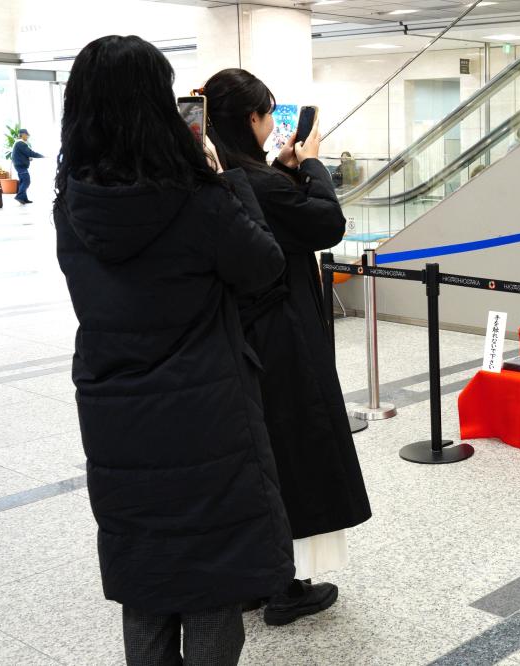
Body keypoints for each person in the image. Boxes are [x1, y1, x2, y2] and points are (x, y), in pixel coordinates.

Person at [54, 36, 294, 664]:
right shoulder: (197, 200)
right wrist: (223, 177)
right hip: (205, 410)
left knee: (147, 579)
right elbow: (264, 266)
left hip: (113, 411)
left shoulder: (70, 205)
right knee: (213, 583)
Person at [203, 68, 372, 627]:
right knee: (296, 447)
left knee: (255, 454)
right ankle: (285, 585)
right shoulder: (261, 184)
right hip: (284, 333)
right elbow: (326, 223)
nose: (271, 124)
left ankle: (252, 578)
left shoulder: (219, 174)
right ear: (252, 118)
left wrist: (283, 166)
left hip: (236, 334)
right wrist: (314, 164)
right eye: (267, 115)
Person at [11, 128, 44, 204]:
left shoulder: (18, 143)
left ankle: (24, 199)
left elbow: (23, 154)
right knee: (26, 181)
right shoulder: (20, 143)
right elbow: (30, 153)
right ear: (22, 134)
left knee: (23, 181)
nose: (27, 137)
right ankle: (19, 197)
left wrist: (28, 158)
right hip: (21, 166)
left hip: (19, 165)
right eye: (26, 135)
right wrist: (42, 156)